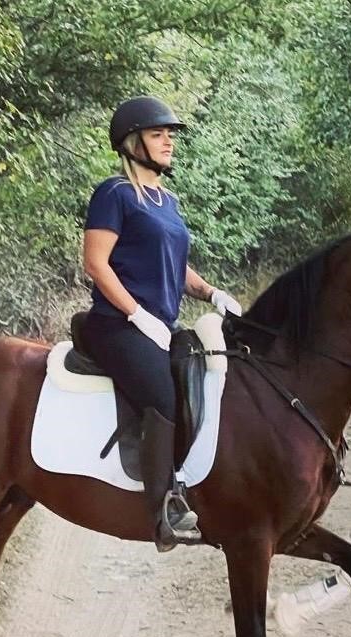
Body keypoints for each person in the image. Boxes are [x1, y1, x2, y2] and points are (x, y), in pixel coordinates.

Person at [80, 95, 242, 552]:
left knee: (201, 375)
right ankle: (163, 509)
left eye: (169, 134)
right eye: (158, 134)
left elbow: (175, 265)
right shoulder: (115, 194)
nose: (169, 141)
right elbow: (96, 263)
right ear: (133, 143)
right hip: (115, 324)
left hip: (156, 325)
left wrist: (211, 293)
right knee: (162, 392)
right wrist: (135, 313)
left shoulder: (166, 201)